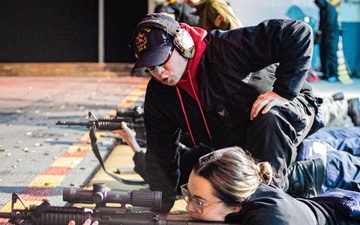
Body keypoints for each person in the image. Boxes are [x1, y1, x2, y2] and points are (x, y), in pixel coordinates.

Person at [130, 13, 321, 212]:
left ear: (182, 44)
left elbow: (298, 32)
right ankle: (293, 178)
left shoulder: (226, 48)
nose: (160, 73)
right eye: (151, 67)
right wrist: (161, 207)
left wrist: (284, 91)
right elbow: (161, 153)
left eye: (163, 60)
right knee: (199, 168)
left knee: (269, 119)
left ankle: (269, 207)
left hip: (287, 110)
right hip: (237, 137)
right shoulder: (159, 93)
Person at [182, 146, 358, 224]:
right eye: (188, 195)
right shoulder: (253, 199)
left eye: (199, 202)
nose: (188, 206)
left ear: (235, 205)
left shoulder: (270, 216)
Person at [314, 0, 340, 82]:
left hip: (331, 35)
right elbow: (321, 22)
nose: (318, 6)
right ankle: (325, 73)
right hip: (324, 35)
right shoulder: (322, 9)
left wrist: (321, 30)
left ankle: (334, 74)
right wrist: (319, 31)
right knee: (323, 54)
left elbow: (329, 22)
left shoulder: (331, 8)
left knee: (331, 54)